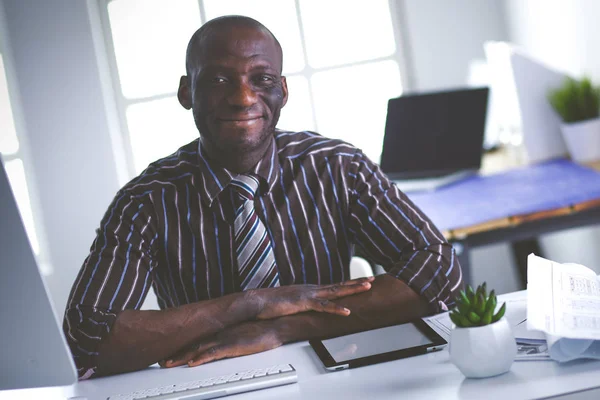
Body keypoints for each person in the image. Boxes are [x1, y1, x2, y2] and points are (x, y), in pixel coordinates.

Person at [63, 15, 462, 380]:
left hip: (336, 373)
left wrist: (285, 327)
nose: (242, 97)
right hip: (210, 380)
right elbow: (87, 336)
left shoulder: (338, 167)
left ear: (283, 90)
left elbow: (440, 272)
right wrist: (250, 304)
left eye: (262, 79)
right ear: (187, 91)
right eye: (218, 80)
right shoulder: (146, 200)